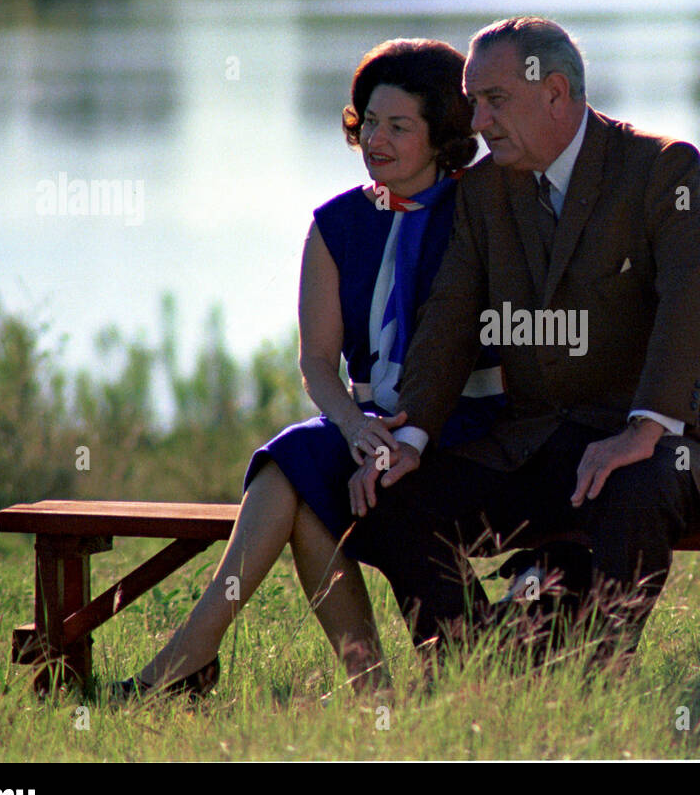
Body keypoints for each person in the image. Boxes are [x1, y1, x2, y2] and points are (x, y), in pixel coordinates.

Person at [344, 16, 700, 668]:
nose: (477, 121)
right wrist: (411, 437)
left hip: (668, 446)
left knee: (635, 479)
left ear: (555, 93)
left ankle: (600, 670)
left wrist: (644, 428)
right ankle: (478, 661)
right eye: (474, 102)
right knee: (388, 493)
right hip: (537, 445)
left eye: (494, 100)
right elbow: (449, 317)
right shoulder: (481, 191)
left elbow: (691, 297)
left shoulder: (660, 166)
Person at [111, 38, 501, 700]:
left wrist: (401, 437)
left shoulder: (484, 215)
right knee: (299, 462)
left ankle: (189, 665)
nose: (376, 139)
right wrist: (355, 429)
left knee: (296, 470)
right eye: (368, 121)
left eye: (398, 126)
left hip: (464, 428)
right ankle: (365, 690)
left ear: (443, 135)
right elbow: (316, 362)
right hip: (366, 427)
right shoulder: (336, 224)